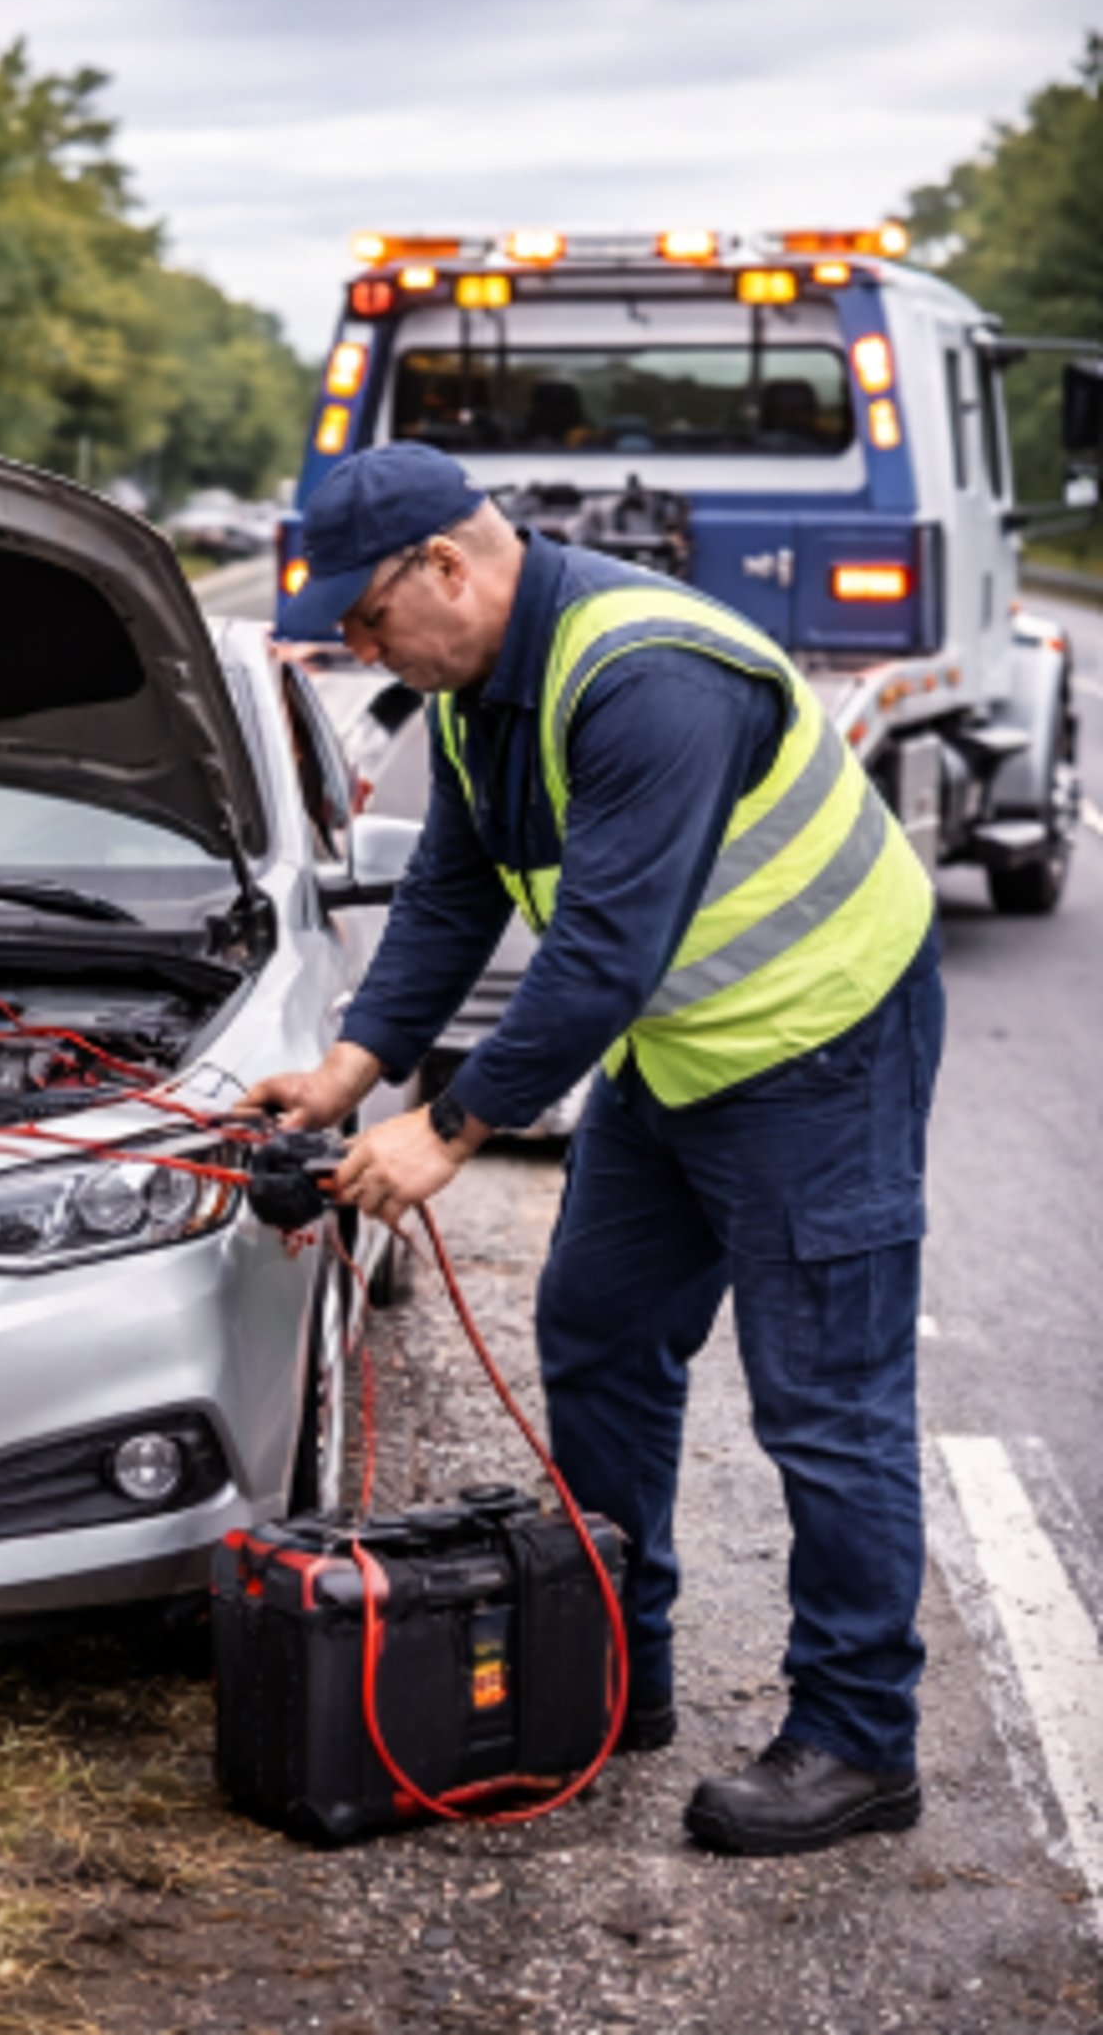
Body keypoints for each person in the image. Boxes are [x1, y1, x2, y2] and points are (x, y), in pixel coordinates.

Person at [246, 442, 944, 1857]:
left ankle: (861, 1737)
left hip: (823, 1045)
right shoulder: (474, 694)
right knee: (600, 1328)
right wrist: (348, 1070)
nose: (360, 646)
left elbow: (603, 952)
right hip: (684, 1054)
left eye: (369, 620)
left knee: (825, 1400)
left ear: (446, 566)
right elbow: (450, 893)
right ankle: (616, 1664)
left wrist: (446, 1130)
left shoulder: (646, 679)